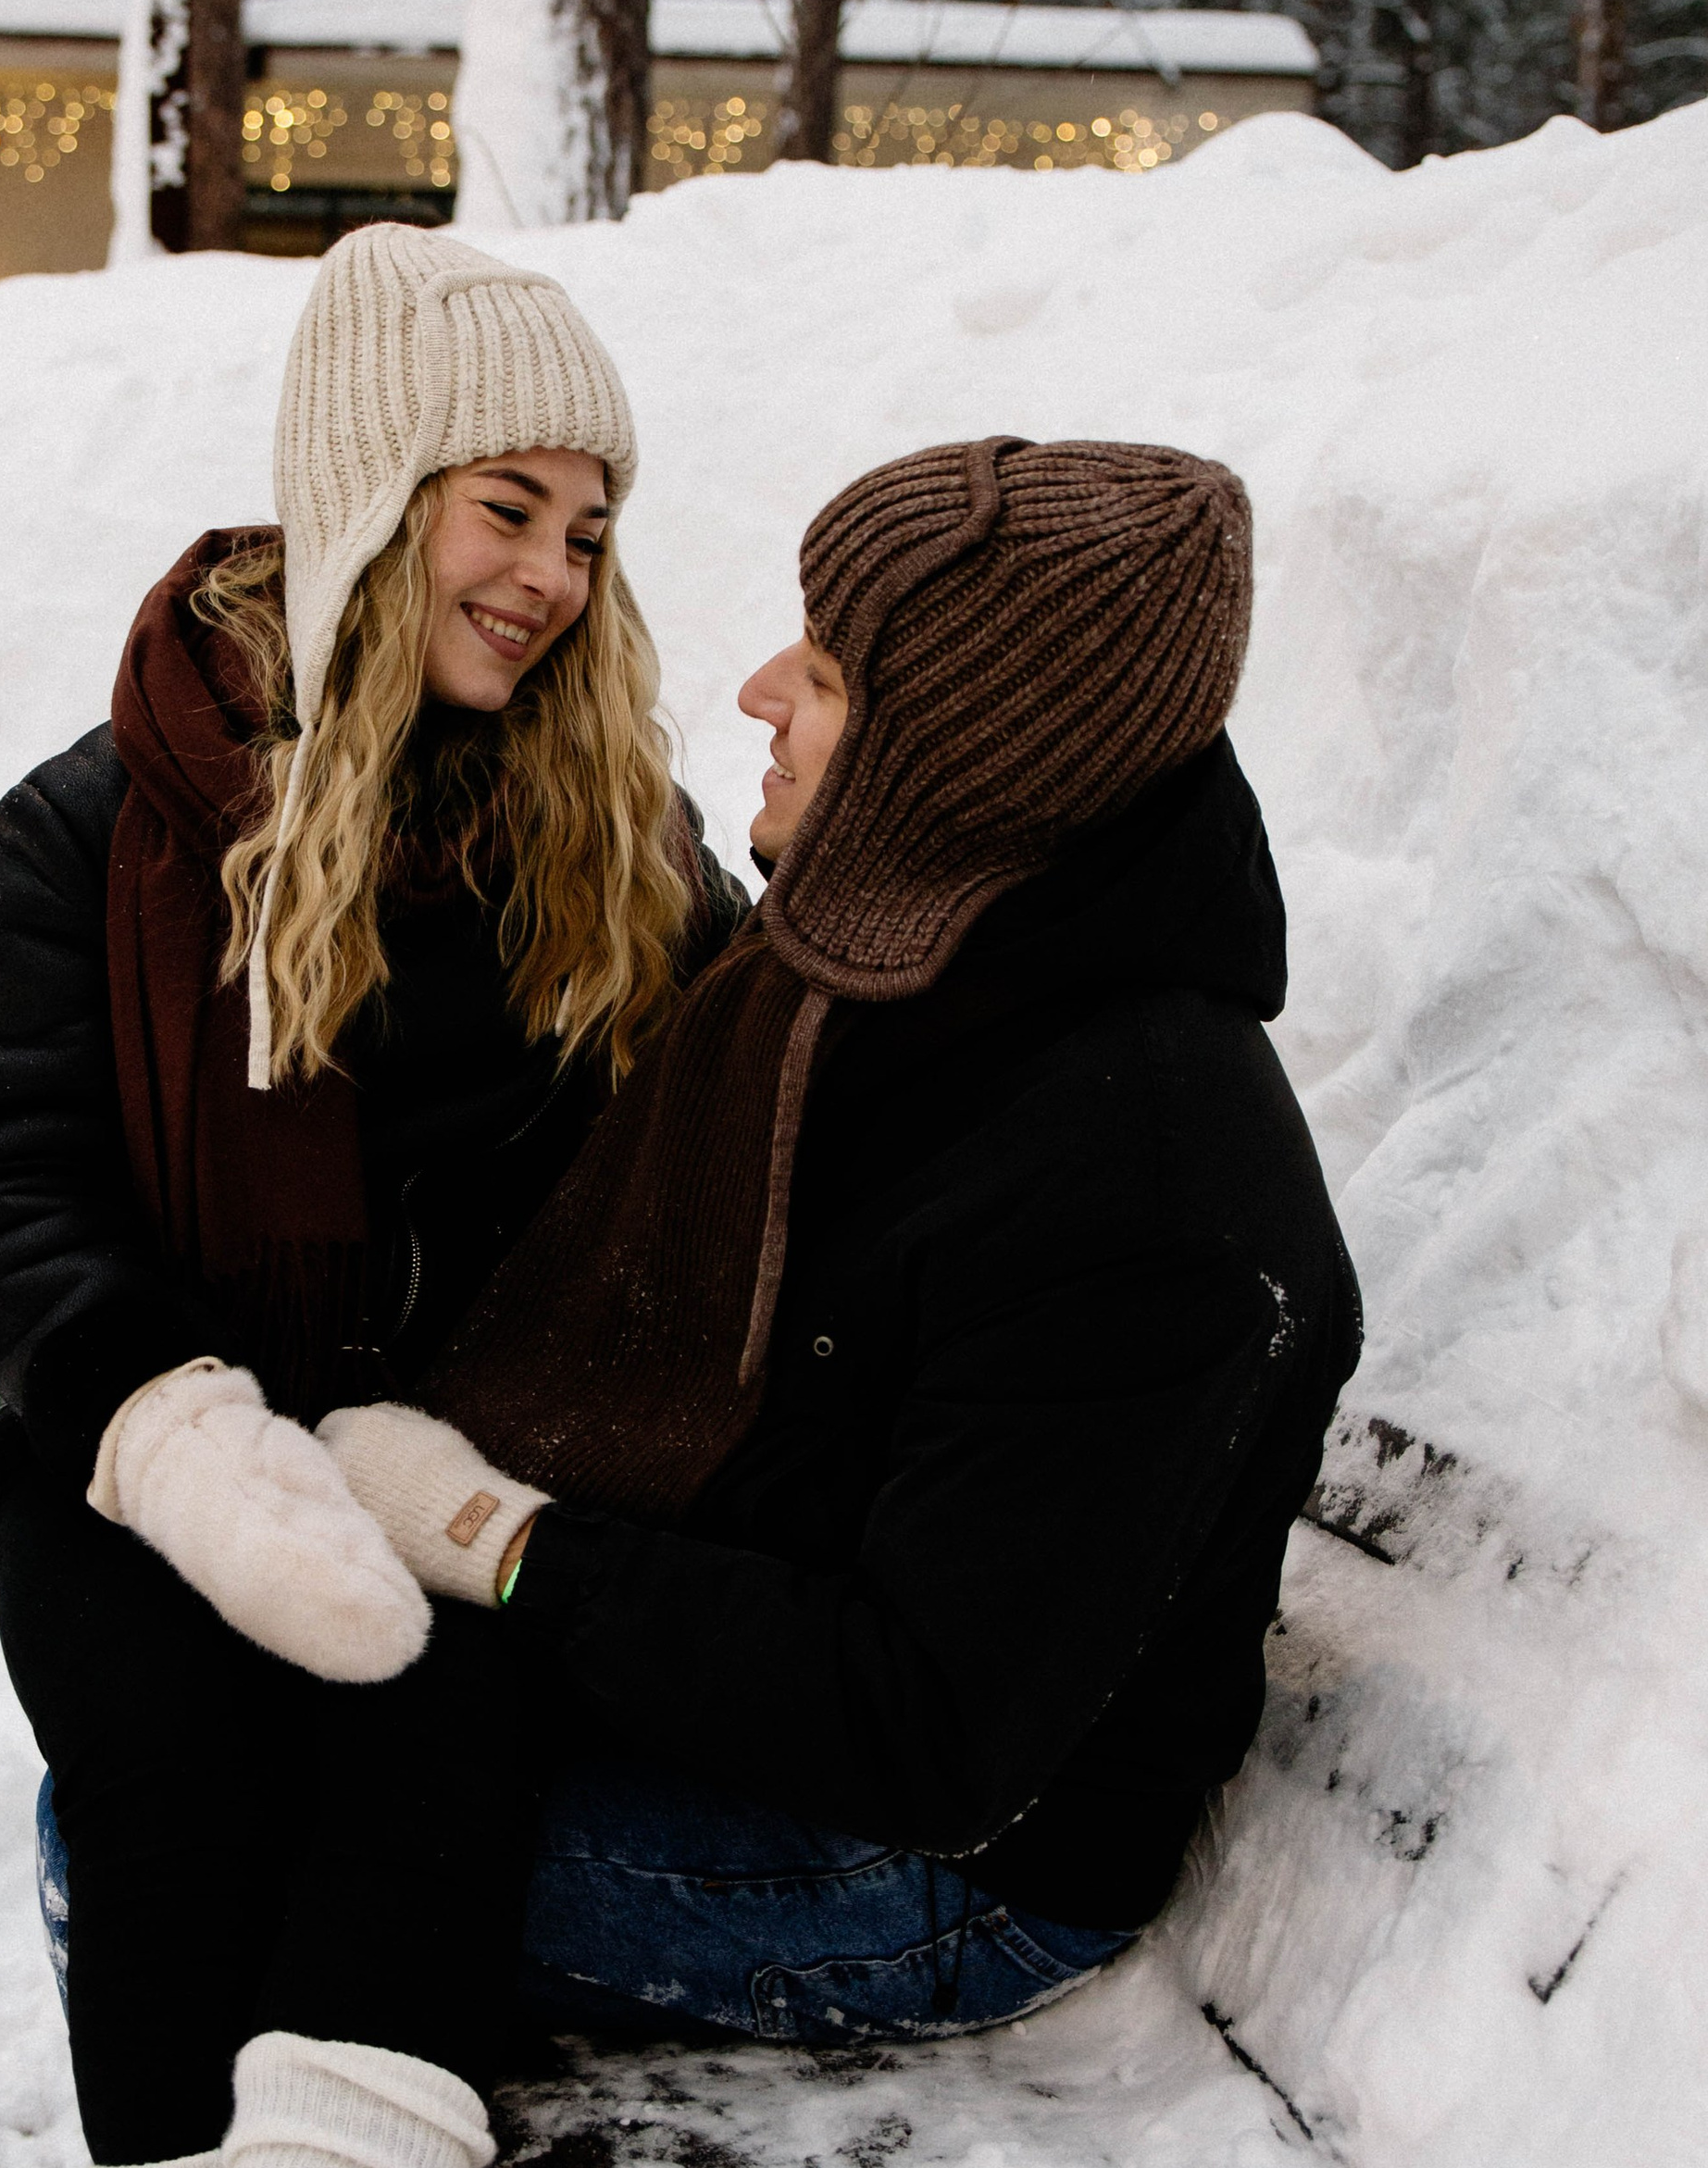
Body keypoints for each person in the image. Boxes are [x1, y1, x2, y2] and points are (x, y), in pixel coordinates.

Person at [0, 223, 742, 2168]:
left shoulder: (608, 836)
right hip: (140, 1455)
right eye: (508, 509)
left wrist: (465, 1459)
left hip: (443, 1483)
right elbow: (3, 1184)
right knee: (160, 1759)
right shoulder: (103, 825)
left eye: (588, 530)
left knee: (420, 1722)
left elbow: (717, 1176)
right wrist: (167, 1424)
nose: (552, 576)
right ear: (375, 495)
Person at [325, 433, 1362, 2049]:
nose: (757, 694)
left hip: (938, 1873)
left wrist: (499, 1538)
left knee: (186, 1850)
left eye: (821, 676)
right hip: (782, 1717)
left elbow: (925, 1732)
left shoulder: (1139, 1184)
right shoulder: (908, 973)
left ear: (963, 760)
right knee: (178, 1738)